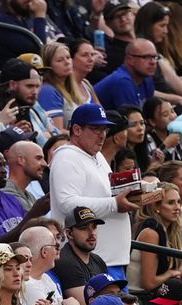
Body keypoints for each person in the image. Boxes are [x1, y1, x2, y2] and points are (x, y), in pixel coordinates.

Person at [49, 104, 137, 277]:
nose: (102, 134)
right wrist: (114, 204)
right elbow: (68, 205)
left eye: (104, 129)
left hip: (106, 261)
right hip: (88, 264)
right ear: (77, 129)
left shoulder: (95, 155)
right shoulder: (67, 157)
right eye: (95, 129)